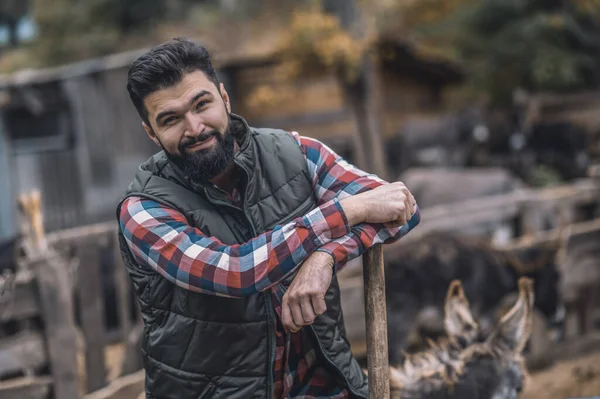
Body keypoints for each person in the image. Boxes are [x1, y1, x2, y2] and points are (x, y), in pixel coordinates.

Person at [117, 37, 420, 399]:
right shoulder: (143, 210)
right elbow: (236, 272)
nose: (195, 127)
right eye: (171, 119)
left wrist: (324, 257)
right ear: (151, 133)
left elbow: (401, 208)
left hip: (322, 386)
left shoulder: (296, 153)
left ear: (225, 99)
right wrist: (348, 211)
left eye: (202, 104)